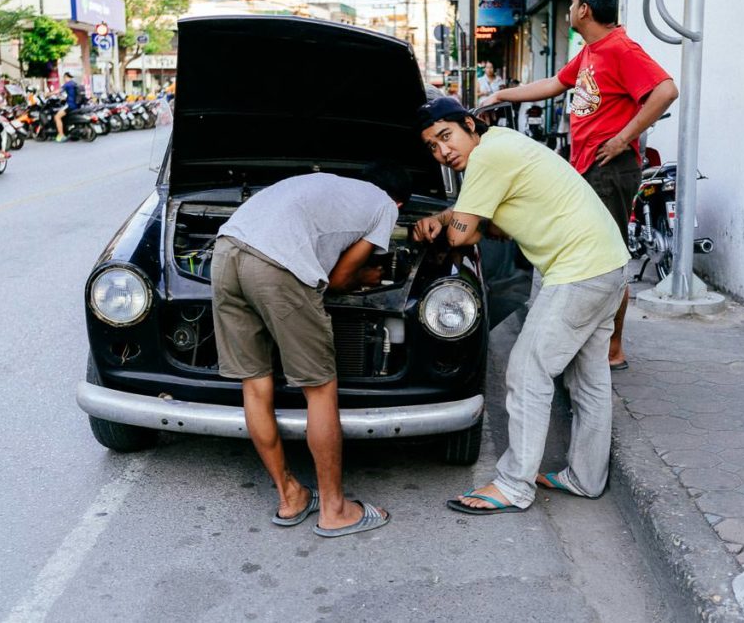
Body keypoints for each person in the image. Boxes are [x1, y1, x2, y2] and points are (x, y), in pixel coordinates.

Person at [413, 97, 629, 515]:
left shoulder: (487, 158)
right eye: (433, 146)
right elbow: (489, 225)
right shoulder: (502, 145)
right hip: (608, 264)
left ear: (470, 125)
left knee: (527, 371)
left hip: (579, 271)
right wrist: (456, 220)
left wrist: (446, 221)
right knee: (588, 381)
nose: (443, 151)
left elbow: (461, 237)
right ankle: (585, 478)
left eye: (447, 136)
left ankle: (514, 486)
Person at [482, 0, 678, 371]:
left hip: (610, 168)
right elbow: (555, 83)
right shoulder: (591, 51)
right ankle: (594, 341)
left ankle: (613, 348)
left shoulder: (620, 48)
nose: (569, 9)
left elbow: (666, 90)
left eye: (572, 3)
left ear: (584, 9)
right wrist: (501, 94)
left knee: (607, 259)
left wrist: (625, 138)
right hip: (588, 166)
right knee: (588, 255)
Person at [210, 165, 411, 537]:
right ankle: (335, 510)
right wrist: (367, 276)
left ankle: (291, 496)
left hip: (225, 253)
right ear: (398, 201)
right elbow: (337, 279)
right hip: (274, 266)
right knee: (320, 390)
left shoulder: (325, 184)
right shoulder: (386, 206)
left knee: (254, 385)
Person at [53, 72, 80, 142]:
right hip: (76, 105)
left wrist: (48, 94)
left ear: (65, 77)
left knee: (57, 117)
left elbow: (58, 91)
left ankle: (61, 135)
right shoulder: (74, 83)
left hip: (70, 105)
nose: (64, 80)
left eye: (64, 78)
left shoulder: (67, 84)